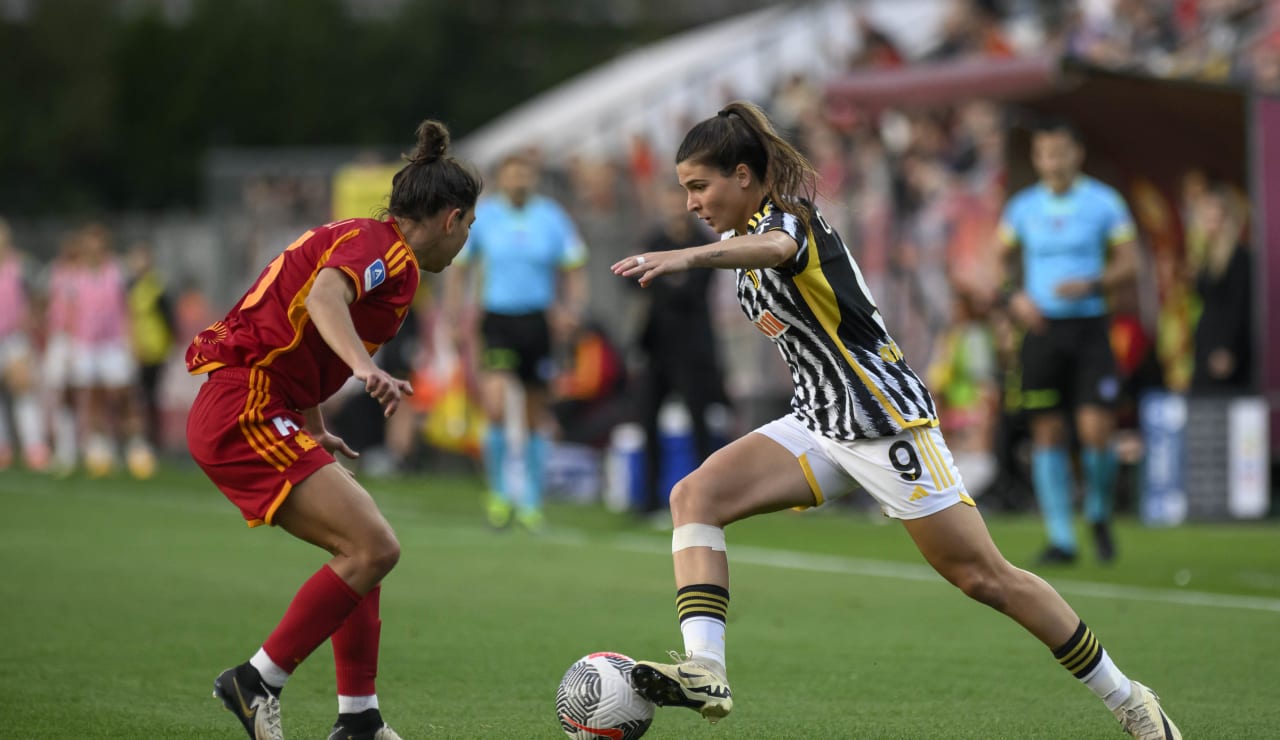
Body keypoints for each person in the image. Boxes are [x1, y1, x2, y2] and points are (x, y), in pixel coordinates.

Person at [612, 102, 1178, 740]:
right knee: (694, 495)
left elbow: (778, 248)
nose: (690, 203)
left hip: (885, 423)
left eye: (699, 186)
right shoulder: (733, 240)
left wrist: (685, 259)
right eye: (684, 188)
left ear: (744, 176)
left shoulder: (791, 221)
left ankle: (1129, 699)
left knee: (985, 578)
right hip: (821, 422)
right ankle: (705, 669)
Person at [186, 119, 481, 740]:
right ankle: (255, 680)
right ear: (451, 219)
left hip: (270, 403)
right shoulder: (385, 250)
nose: (463, 246)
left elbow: (300, 328)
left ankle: (359, 720)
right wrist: (367, 368)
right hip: (246, 406)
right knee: (375, 548)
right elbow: (322, 299)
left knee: (363, 550)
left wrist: (314, 424)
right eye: (469, 229)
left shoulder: (374, 247)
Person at [998, 118, 1138, 565]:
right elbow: (997, 259)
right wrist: (1015, 297)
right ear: (1037, 158)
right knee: (1047, 431)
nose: (1052, 162)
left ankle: (1097, 510)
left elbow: (1131, 263)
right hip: (1041, 330)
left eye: (1059, 153)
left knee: (1097, 430)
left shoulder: (1104, 202)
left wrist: (1093, 281)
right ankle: (1061, 537)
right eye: (1044, 154)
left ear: (1076, 154)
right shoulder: (1022, 207)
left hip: (1091, 327)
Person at [444, 151, 587, 531]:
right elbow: (461, 268)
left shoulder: (551, 217)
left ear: (533, 177)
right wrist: (457, 316)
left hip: (537, 322)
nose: (519, 180)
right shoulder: (485, 217)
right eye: (512, 174)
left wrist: (571, 310)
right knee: (494, 404)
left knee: (534, 414)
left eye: (525, 173)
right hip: (498, 321)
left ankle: (531, 502)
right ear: (502, 179)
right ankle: (499, 494)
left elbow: (573, 266)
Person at [630, 184, 728, 516]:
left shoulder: (702, 243)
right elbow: (632, 279)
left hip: (692, 347)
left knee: (698, 422)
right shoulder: (656, 241)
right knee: (647, 419)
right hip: (657, 345)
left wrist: (659, 280)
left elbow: (692, 289)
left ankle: (707, 497)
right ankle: (648, 500)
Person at [70, 223, 155, 479]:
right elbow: (72, 311)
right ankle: (100, 447)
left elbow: (127, 309)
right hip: (86, 344)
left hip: (114, 343)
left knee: (124, 395)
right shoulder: (78, 276)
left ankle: (136, 445)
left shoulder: (116, 272)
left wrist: (132, 341)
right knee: (93, 396)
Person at [1189, 185, 1252, 393]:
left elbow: (1238, 306)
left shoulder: (1238, 257)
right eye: (1206, 219)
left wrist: (1227, 348)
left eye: (1215, 219)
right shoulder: (1207, 258)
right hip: (1206, 340)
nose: (1210, 226)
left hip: (1224, 347)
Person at [0, 217, 49, 471]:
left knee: (23, 392)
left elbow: (40, 292)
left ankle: (34, 447)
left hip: (14, 338)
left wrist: (31, 324)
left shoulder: (19, 266)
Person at [125, 240, 176, 451]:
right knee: (137, 396)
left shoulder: (156, 287)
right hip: (135, 347)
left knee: (150, 395)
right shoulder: (130, 286)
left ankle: (152, 439)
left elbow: (168, 319)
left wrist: (167, 345)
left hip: (154, 349)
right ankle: (138, 437)